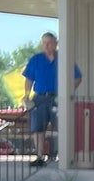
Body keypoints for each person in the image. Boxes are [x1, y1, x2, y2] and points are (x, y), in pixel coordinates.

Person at [21, 32, 81, 163]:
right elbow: (29, 79)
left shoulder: (64, 58)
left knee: (62, 127)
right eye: (44, 43)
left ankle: (63, 156)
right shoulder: (36, 59)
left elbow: (77, 77)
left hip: (58, 98)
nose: (47, 45)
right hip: (40, 98)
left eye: (49, 42)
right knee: (38, 128)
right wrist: (26, 95)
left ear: (56, 43)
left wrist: (67, 91)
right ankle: (39, 156)